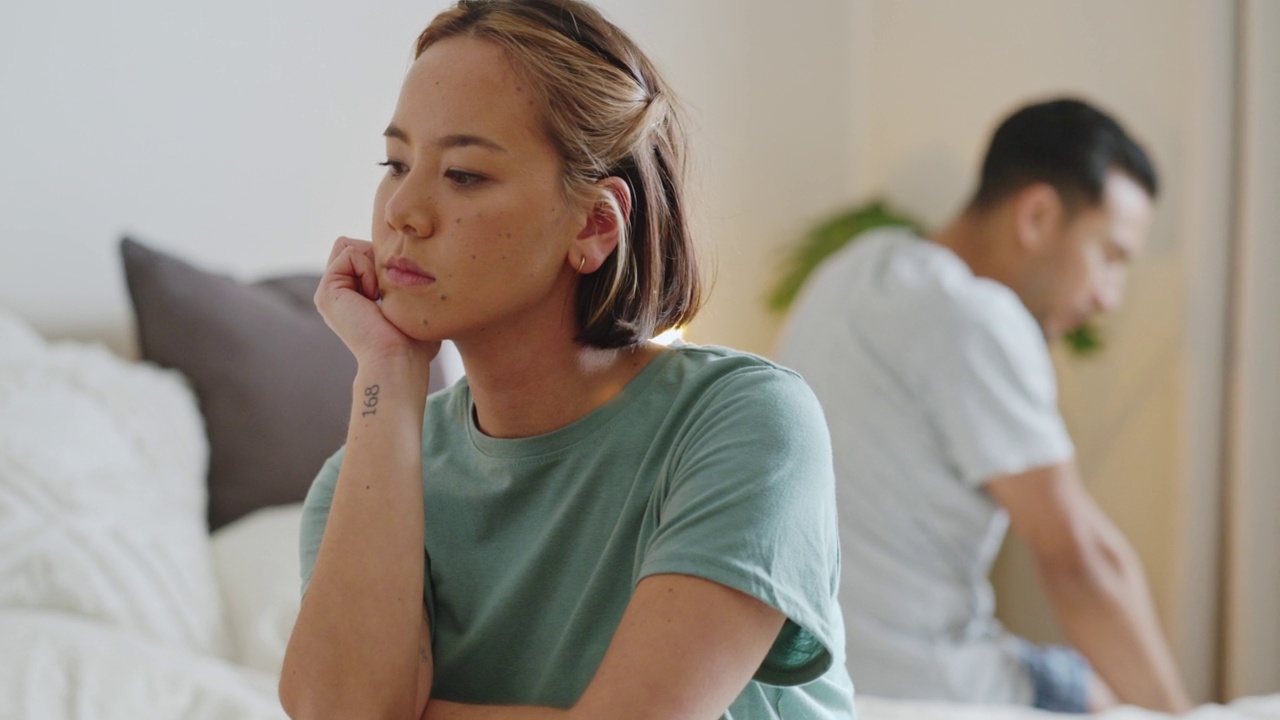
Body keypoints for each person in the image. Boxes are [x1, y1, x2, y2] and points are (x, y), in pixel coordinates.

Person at [278, 2, 856, 719]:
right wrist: (388, 374)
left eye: (462, 174)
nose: (403, 209)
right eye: (395, 163)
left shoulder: (745, 422)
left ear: (593, 224)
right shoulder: (363, 480)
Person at [775, 98, 1192, 714]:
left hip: (811, 669)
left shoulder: (855, 268)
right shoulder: (976, 317)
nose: (1109, 297)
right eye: (1110, 256)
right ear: (1038, 216)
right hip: (922, 680)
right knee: (1107, 699)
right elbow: (1079, 562)